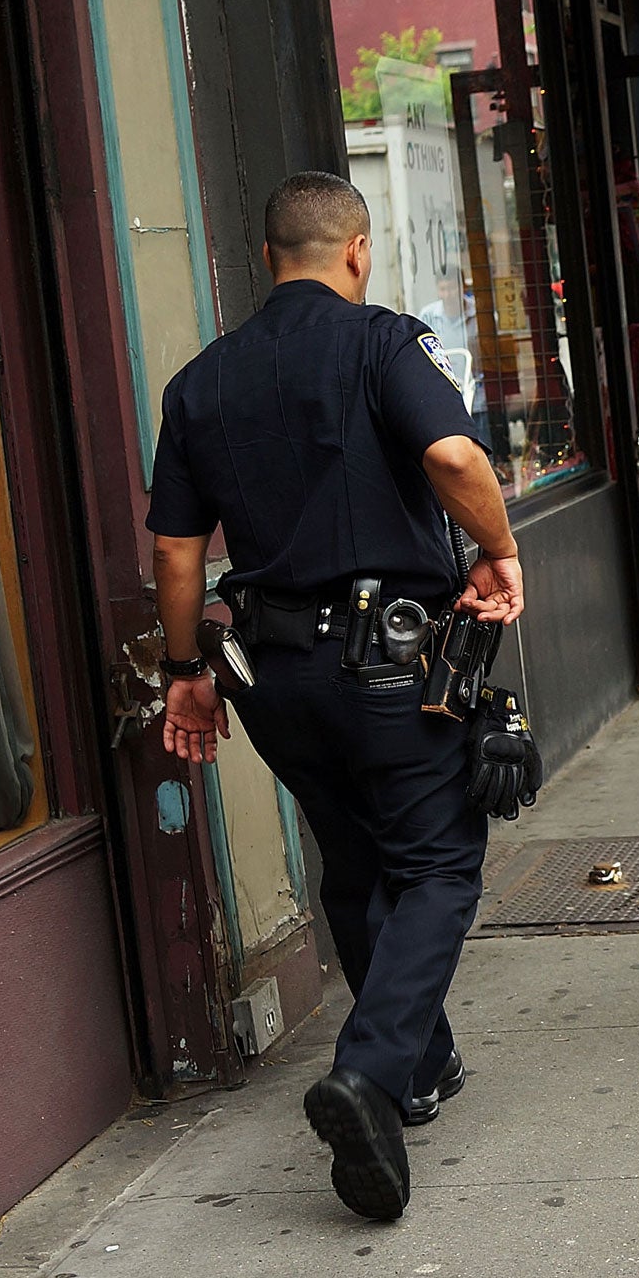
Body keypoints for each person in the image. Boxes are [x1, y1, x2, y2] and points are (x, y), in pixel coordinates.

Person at [148, 171, 526, 1221]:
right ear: (355, 251)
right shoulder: (378, 344)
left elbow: (178, 551)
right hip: (383, 667)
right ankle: (365, 1072)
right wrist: (497, 549)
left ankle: (416, 1069)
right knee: (439, 864)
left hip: (272, 675)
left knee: (354, 860)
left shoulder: (199, 383)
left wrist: (185, 673)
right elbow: (451, 453)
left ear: (268, 258)